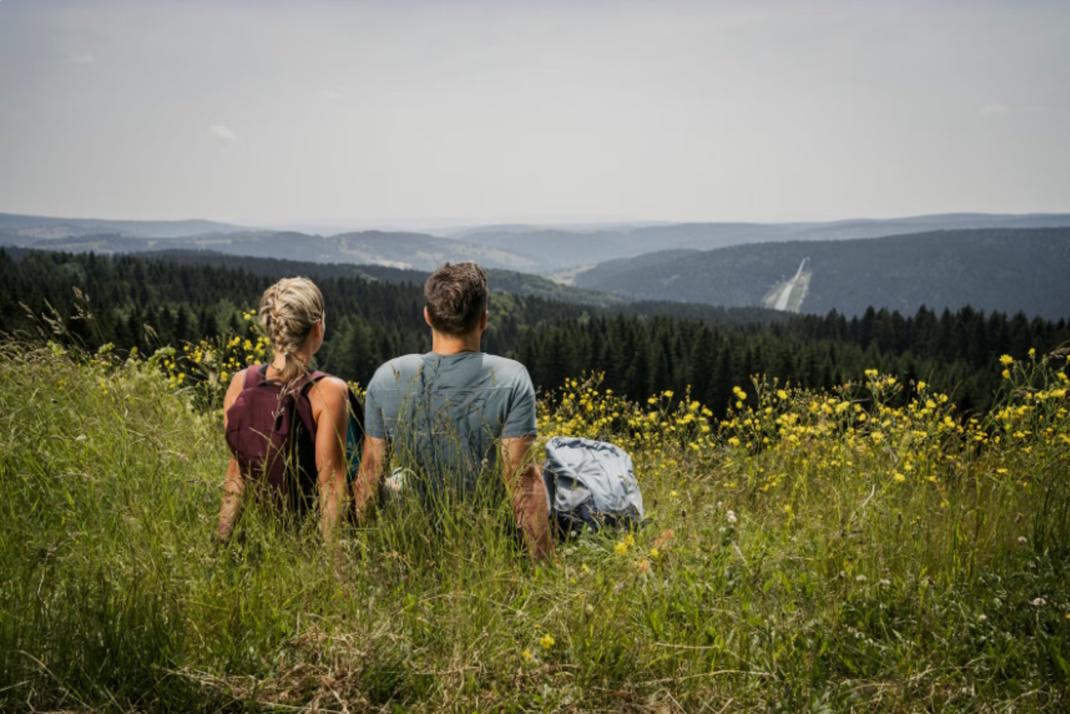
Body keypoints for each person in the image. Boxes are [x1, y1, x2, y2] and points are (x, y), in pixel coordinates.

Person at [354, 262, 553, 562]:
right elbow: (522, 479)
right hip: (491, 541)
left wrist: (362, 553)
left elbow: (370, 475)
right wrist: (545, 570)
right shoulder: (512, 378)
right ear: (484, 320)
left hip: (411, 542)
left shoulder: (388, 377)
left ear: (427, 317)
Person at [216, 277, 350, 544]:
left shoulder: (240, 384)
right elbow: (330, 487)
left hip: (267, 536)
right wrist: (337, 573)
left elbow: (237, 471)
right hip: (309, 537)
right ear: (317, 328)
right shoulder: (329, 391)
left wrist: (219, 546)